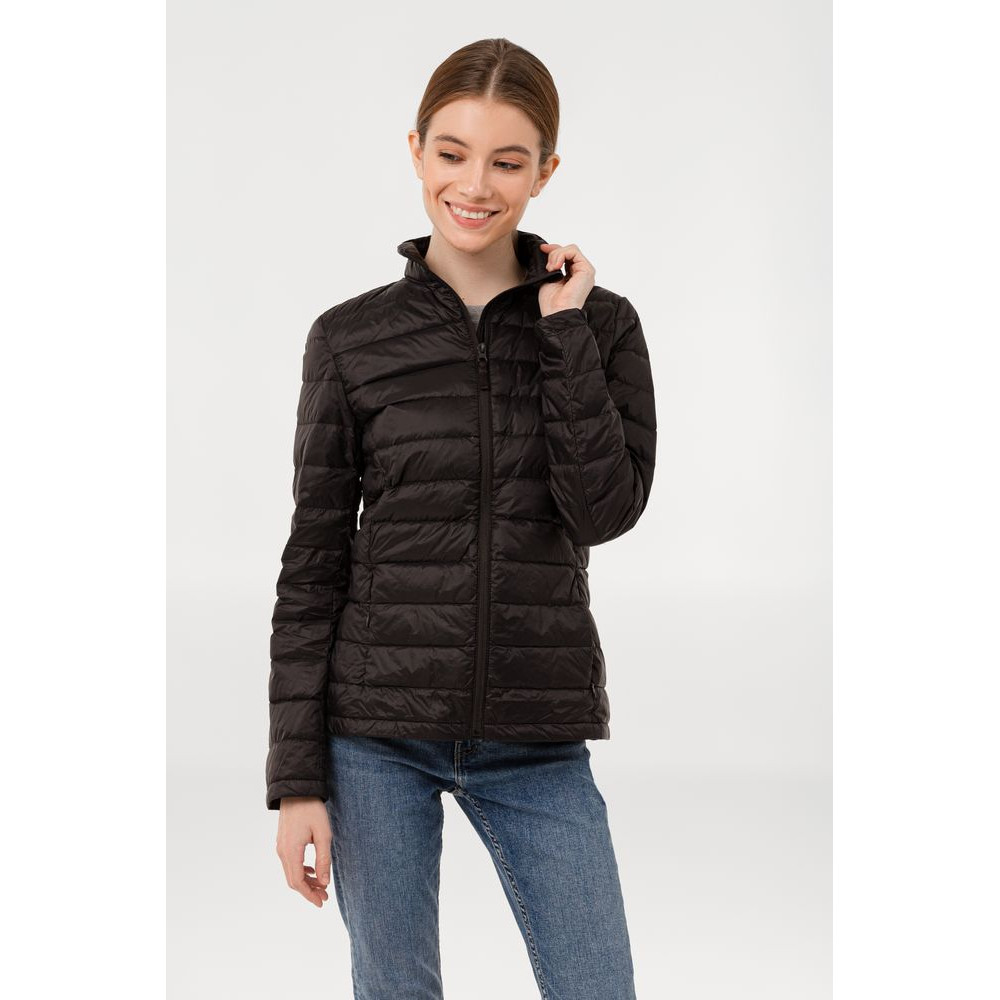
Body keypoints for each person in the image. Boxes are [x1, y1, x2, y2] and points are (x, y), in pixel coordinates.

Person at [267, 37, 657, 1000]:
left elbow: (603, 512)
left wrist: (563, 332)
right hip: (375, 736)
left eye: (507, 161)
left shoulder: (600, 326)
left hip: (538, 731)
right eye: (452, 153)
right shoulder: (351, 340)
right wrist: (297, 780)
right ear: (416, 151)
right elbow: (313, 562)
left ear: (545, 172)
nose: (475, 185)